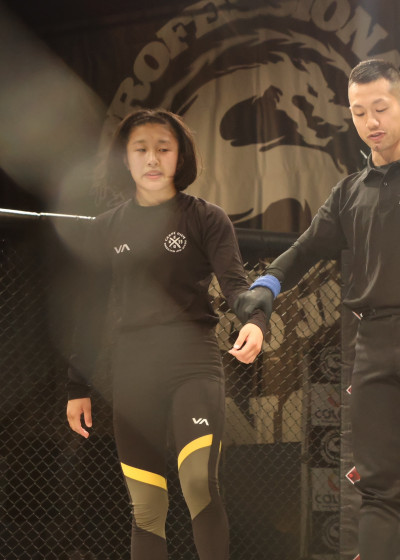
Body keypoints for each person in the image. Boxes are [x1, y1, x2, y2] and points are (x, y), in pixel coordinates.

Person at [233, 58, 400, 559]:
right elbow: (304, 248)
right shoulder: (349, 192)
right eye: (359, 112)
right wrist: (267, 286)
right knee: (379, 487)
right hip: (374, 343)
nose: (371, 122)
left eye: (380, 108)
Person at [65, 109, 266, 560]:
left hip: (193, 362)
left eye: (163, 148)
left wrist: (255, 320)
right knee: (146, 506)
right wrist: (77, 386)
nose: (152, 159)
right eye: (141, 149)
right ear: (125, 159)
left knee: (198, 484)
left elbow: (236, 285)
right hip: (134, 370)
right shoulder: (107, 227)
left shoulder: (206, 218)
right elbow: (91, 312)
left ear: (180, 156)